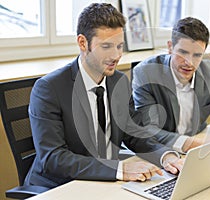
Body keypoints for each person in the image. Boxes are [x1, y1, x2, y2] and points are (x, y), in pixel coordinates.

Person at [24, 3, 183, 189]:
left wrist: (166, 156)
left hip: (106, 183)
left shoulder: (119, 82)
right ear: (83, 43)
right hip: (59, 186)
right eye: (106, 46)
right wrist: (120, 169)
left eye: (120, 46)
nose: (116, 55)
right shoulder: (49, 89)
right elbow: (53, 158)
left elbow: (135, 134)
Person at [132, 17, 210, 153]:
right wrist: (189, 143)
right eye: (183, 52)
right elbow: (147, 129)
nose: (189, 62)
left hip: (198, 142)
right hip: (161, 150)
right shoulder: (145, 73)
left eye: (197, 55)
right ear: (170, 47)